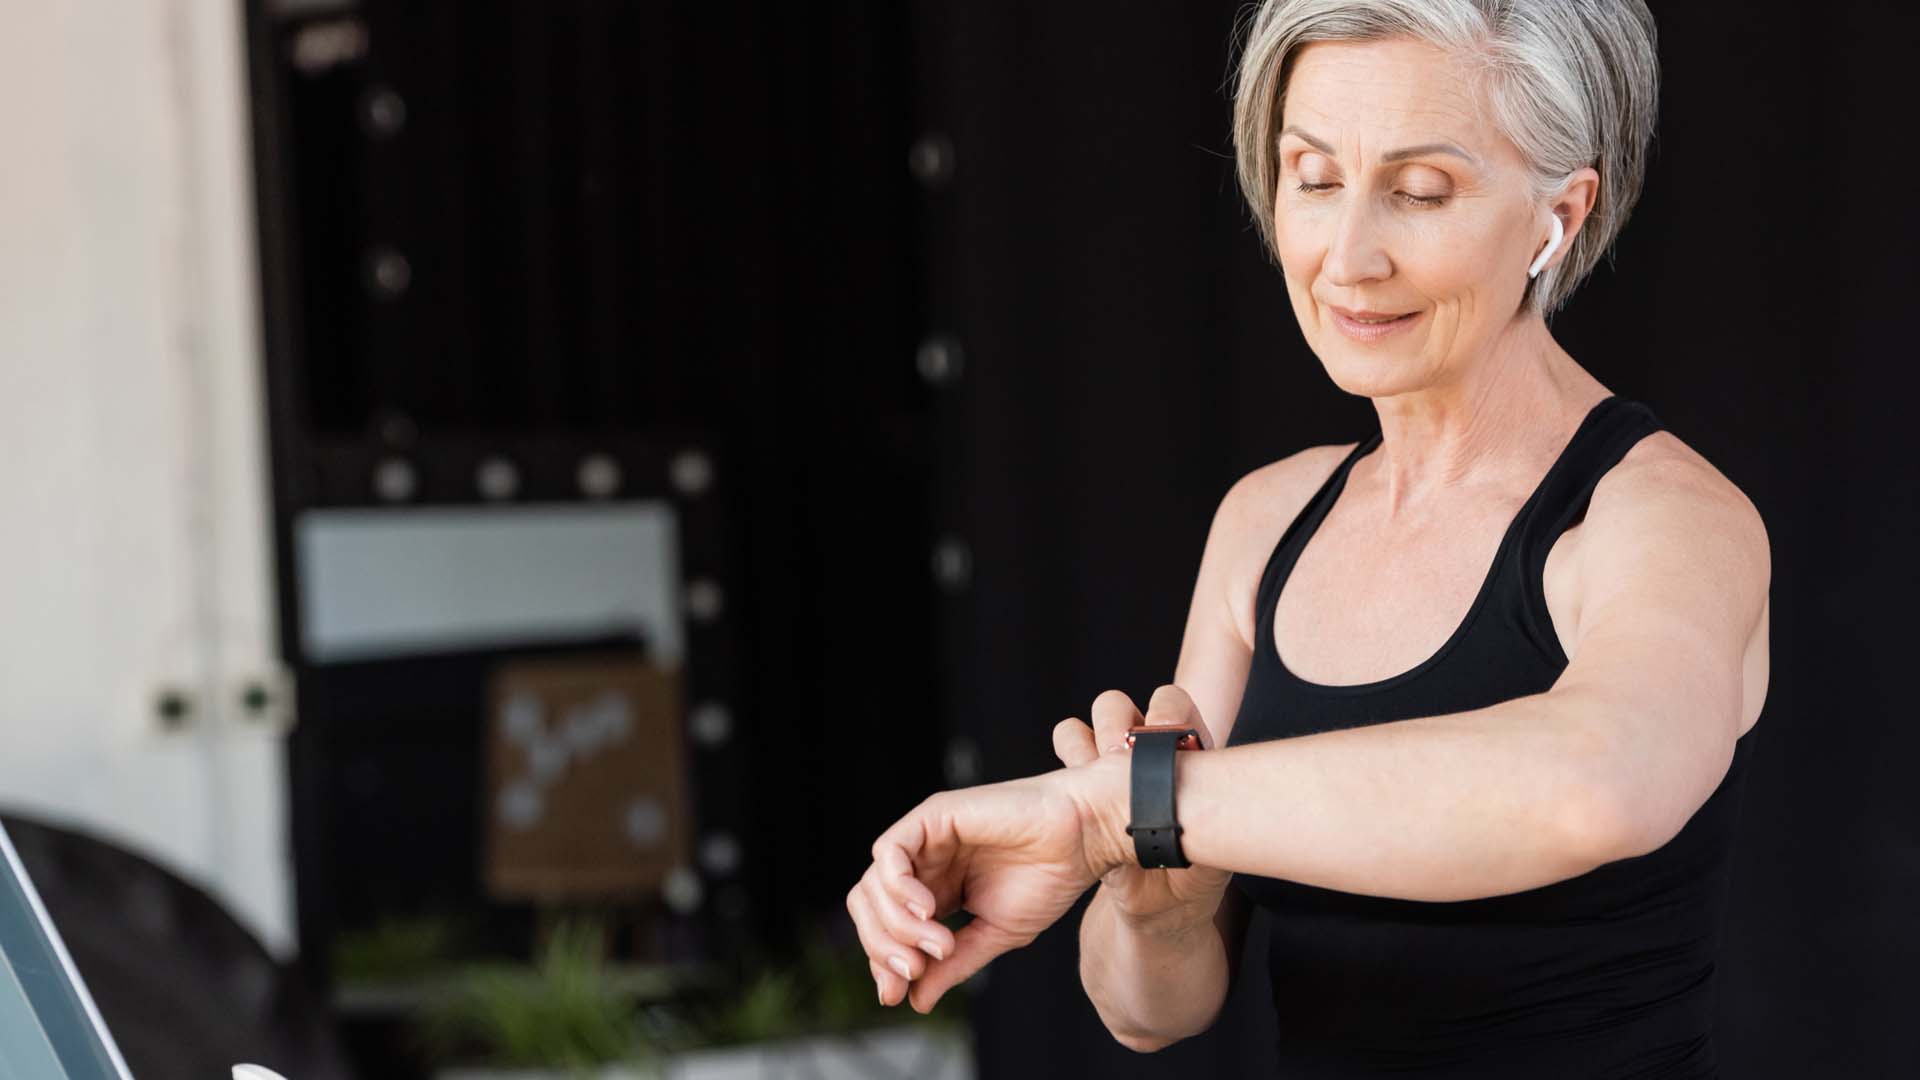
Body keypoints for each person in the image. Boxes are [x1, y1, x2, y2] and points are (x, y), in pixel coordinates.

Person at [843, 0, 1769, 1074]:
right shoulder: (1266, 521)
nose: (1347, 256)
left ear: (1557, 216)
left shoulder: (1661, 515)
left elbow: (1595, 786)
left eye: (1421, 192)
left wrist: (1124, 809)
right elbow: (1148, 1012)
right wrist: (1154, 899)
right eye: (1315, 177)